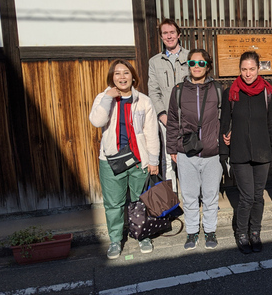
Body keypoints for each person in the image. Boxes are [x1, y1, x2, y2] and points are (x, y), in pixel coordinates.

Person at [89, 59, 160, 259]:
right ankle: (115, 240)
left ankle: (142, 236)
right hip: (111, 160)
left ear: (133, 77)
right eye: (117, 73)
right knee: (114, 203)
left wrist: (153, 160)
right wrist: (107, 98)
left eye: (126, 73)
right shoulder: (103, 97)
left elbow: (151, 133)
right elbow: (97, 121)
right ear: (112, 78)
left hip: (138, 160)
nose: (122, 77)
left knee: (140, 200)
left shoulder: (143, 100)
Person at [219, 51, 272, 254]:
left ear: (258, 69)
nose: (247, 73)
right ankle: (242, 233)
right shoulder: (231, 92)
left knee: (258, 196)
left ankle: (256, 232)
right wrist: (223, 151)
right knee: (246, 197)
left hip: (262, 152)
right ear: (239, 70)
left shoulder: (267, 93)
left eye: (252, 69)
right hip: (239, 152)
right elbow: (225, 122)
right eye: (244, 69)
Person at [166, 49, 223, 250]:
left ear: (208, 65)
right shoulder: (179, 90)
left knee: (210, 195)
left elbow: (224, 119)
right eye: (192, 63)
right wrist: (172, 147)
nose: (196, 67)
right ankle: (191, 232)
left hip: (212, 152)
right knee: (189, 196)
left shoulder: (218, 88)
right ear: (188, 65)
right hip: (186, 151)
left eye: (201, 63)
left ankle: (209, 230)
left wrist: (224, 142)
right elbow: (172, 120)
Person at [148, 19, 190, 188]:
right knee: (168, 159)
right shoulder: (155, 61)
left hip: (190, 118)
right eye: (165, 33)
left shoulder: (191, 57)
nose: (169, 36)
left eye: (172, 32)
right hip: (166, 120)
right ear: (161, 37)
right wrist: (162, 114)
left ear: (179, 34)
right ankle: (173, 200)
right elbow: (153, 91)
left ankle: (194, 198)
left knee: (192, 157)